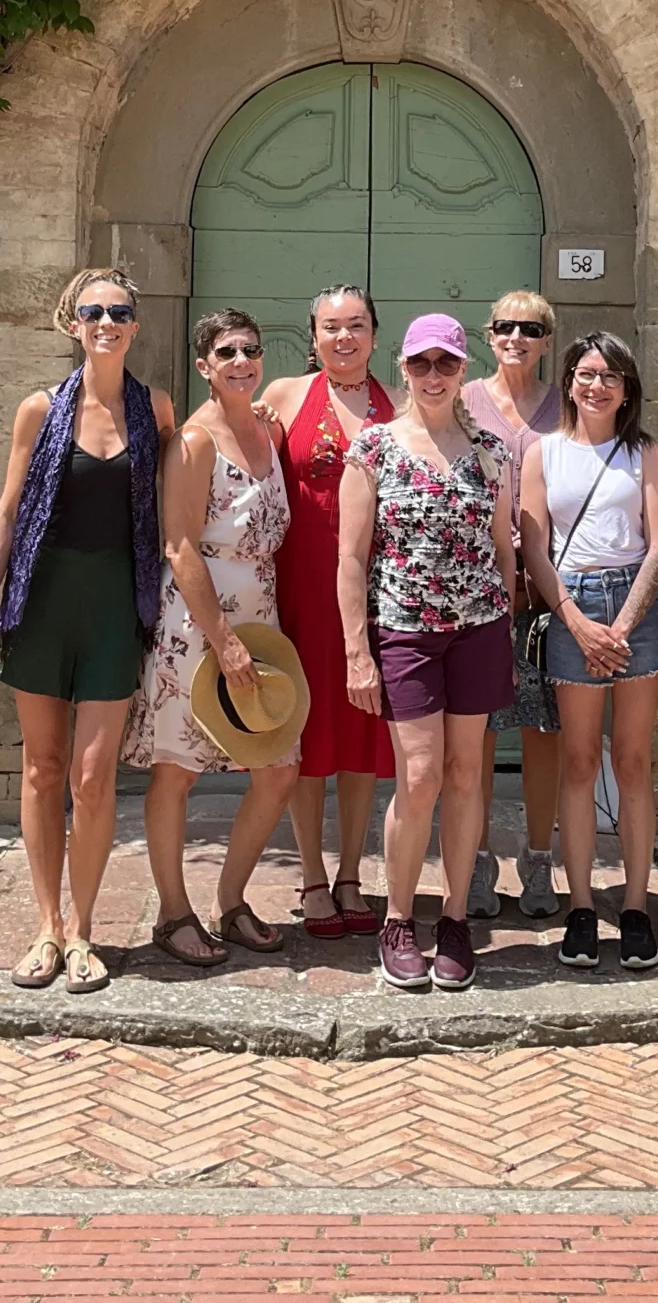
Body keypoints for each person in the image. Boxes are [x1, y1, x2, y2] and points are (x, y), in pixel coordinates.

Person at [0, 267, 175, 995]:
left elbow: (187, 483)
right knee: (42, 768)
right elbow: (7, 510)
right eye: (93, 311)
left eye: (119, 310)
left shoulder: (156, 410)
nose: (106, 321)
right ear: (71, 323)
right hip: (44, 599)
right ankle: (46, 927)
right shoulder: (39, 409)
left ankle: (85, 931)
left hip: (116, 603)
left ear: (135, 325)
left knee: (93, 778)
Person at [338, 313, 517, 991]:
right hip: (405, 632)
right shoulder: (375, 448)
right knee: (419, 775)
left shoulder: (492, 453)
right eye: (421, 365)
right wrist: (359, 653)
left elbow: (503, 550)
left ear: (463, 369)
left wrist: (501, 624)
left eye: (446, 364)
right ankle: (398, 918)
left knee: (468, 774)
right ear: (404, 370)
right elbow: (350, 559)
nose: (434, 376)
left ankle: (455, 920)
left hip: (478, 630)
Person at [121, 309, 302, 968]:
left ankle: (232, 898)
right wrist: (221, 639)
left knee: (279, 769)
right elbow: (179, 545)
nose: (241, 360)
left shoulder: (264, 430)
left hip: (259, 617)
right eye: (226, 351)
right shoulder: (194, 442)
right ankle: (173, 913)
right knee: (179, 769)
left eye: (250, 349)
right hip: (198, 625)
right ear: (203, 365)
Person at [521, 331, 658, 972]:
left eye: (611, 375)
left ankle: (635, 907)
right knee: (579, 762)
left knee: (633, 762)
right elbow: (533, 545)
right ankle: (582, 906)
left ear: (627, 388)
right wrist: (578, 622)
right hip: (572, 604)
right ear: (569, 382)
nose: (597, 385)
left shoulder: (646, 453)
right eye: (586, 373)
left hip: (634, 603)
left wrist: (622, 624)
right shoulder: (543, 453)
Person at [259, 286, 395, 941]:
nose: (345, 338)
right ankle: (312, 875)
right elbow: (230, 452)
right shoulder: (284, 396)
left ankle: (351, 874)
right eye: (331, 327)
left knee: (363, 737)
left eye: (357, 326)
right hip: (302, 592)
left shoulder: (398, 405)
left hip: (381, 594)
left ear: (375, 334)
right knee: (307, 735)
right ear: (312, 335)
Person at [461, 290, 563, 922]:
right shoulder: (464, 398)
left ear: (547, 339)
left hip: (544, 595)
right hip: (474, 589)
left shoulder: (567, 405)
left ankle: (538, 859)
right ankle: (475, 862)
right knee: (474, 731)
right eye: (505, 326)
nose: (517, 337)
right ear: (489, 335)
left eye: (531, 328)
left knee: (543, 729)